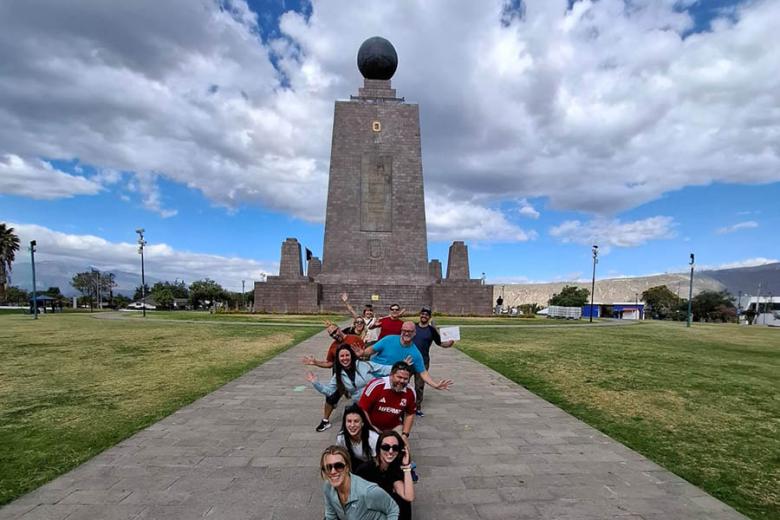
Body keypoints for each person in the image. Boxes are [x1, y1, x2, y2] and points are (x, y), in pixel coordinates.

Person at [303, 324, 366, 432]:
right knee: (331, 397)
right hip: (341, 377)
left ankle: (365, 420)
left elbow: (366, 354)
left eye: (335, 331)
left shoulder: (354, 339)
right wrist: (315, 362)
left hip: (357, 375)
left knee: (363, 398)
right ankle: (325, 420)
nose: (334, 335)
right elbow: (330, 363)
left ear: (339, 329)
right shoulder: (333, 347)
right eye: (331, 334)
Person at [362, 321, 454, 392]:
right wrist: (361, 353)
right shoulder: (388, 339)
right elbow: (371, 350)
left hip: (389, 383)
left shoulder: (415, 353)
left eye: (410, 331)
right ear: (401, 331)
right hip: (372, 377)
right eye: (404, 331)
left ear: (414, 333)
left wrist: (435, 385)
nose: (406, 333)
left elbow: (423, 372)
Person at [320, 445, 399, 520]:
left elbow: (393, 508)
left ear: (347, 467)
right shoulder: (328, 487)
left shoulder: (368, 492)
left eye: (339, 466)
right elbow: (330, 517)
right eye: (328, 467)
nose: (333, 471)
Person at [306, 345, 394, 406]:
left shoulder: (365, 365)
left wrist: (401, 366)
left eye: (347, 355)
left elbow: (384, 369)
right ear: (338, 358)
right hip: (361, 406)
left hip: (377, 402)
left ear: (351, 356)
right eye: (342, 356)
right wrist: (315, 383)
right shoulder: (339, 375)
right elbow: (329, 391)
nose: (345, 358)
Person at [356, 431, 414, 520]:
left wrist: (406, 466)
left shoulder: (395, 469)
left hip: (385, 511)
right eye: (386, 447)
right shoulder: (365, 470)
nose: (390, 451)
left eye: (395, 448)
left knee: (402, 502)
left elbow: (409, 497)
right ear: (378, 448)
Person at [412, 307, 455, 417]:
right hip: (409, 360)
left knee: (419, 386)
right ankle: (402, 405)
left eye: (426, 315)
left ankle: (417, 407)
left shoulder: (431, 330)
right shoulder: (413, 327)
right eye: (422, 314)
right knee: (403, 382)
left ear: (429, 317)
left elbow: (440, 343)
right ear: (420, 315)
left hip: (423, 361)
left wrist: (449, 344)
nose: (424, 316)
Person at [358, 362, 417, 437]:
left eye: (405, 379)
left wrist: (405, 435)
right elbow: (362, 409)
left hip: (394, 427)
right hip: (371, 425)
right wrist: (371, 428)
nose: (402, 381)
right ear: (391, 375)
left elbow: (410, 413)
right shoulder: (376, 385)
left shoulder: (410, 392)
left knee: (402, 446)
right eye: (399, 377)